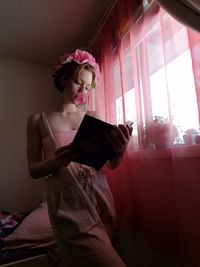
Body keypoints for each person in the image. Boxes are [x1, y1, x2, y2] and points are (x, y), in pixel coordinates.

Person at [26, 49, 132, 267]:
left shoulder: (93, 116)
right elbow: (34, 169)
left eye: (88, 86)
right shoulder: (38, 120)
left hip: (100, 198)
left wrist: (120, 150)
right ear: (64, 78)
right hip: (68, 204)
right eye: (78, 83)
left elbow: (111, 164)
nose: (83, 91)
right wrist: (56, 161)